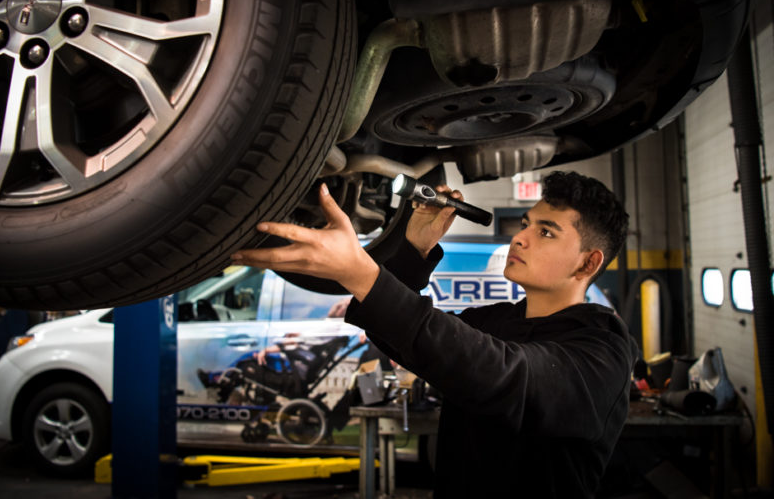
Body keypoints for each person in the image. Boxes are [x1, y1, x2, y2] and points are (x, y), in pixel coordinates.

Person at [232, 171, 636, 498]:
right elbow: (411, 341)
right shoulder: (498, 321)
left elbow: (499, 374)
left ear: (588, 263)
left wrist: (360, 273)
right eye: (527, 224)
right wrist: (413, 247)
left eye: (546, 232)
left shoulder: (603, 349)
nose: (520, 236)